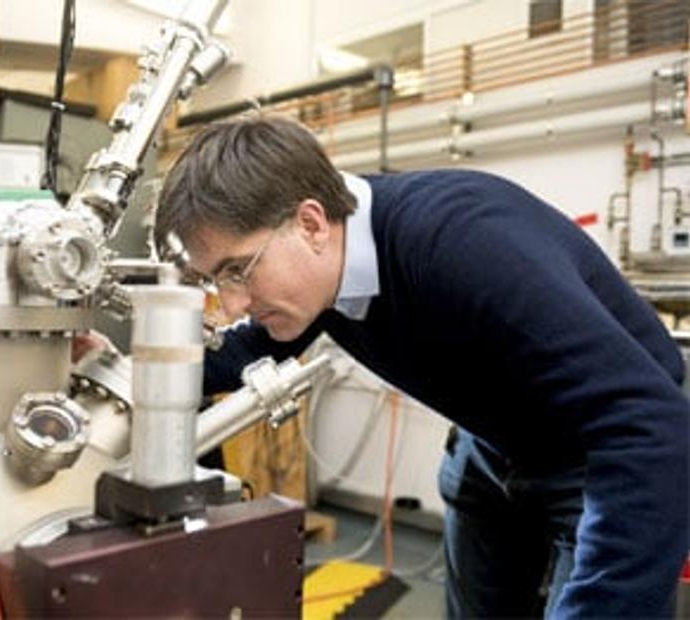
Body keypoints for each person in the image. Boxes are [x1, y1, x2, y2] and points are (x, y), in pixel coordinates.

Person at [154, 115, 688, 618]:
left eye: (237, 270)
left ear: (310, 223)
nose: (231, 304)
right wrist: (127, 377)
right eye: (215, 280)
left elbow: (646, 427)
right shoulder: (326, 264)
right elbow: (243, 352)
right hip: (492, 449)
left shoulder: (460, 242)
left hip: (595, 454)